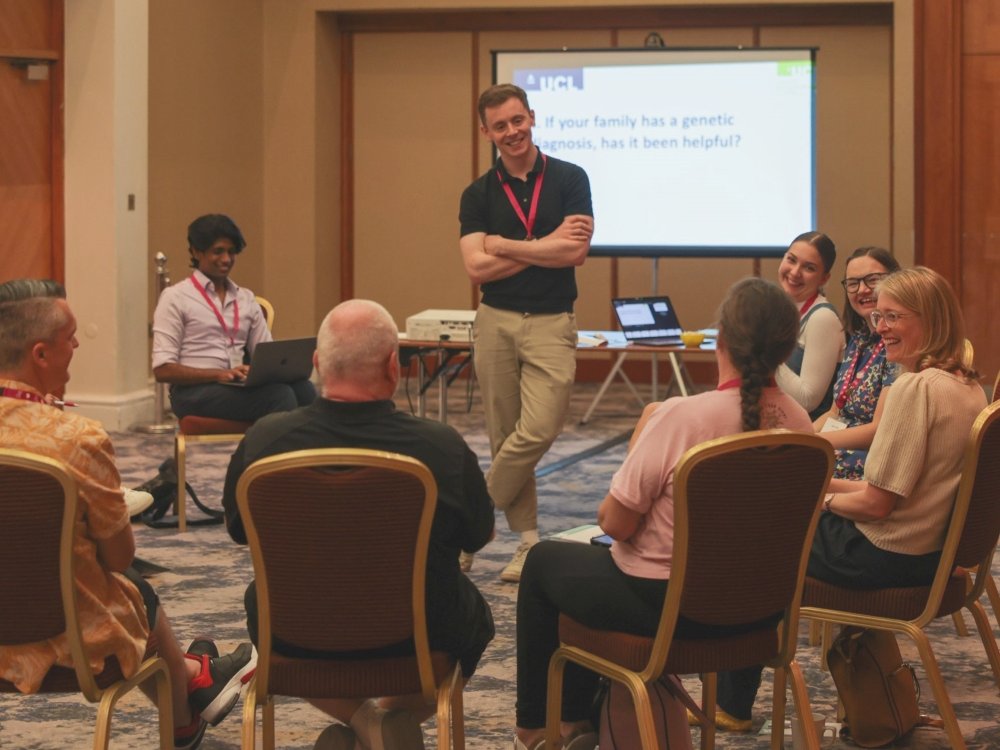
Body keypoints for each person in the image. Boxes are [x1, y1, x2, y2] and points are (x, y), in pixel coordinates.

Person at [511, 278, 814, 750]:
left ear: (721, 338)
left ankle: (547, 726)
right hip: (760, 612)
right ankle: (578, 721)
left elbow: (615, 524)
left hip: (670, 609)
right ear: (786, 348)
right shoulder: (800, 423)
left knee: (545, 563)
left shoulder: (684, 418)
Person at [716, 266, 986, 728]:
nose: (880, 328)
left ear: (931, 319)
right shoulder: (966, 385)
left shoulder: (913, 389)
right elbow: (893, 492)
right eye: (878, 317)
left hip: (888, 553)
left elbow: (877, 506)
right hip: (930, 551)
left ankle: (731, 704)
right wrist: (819, 487)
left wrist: (816, 502)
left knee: (754, 544)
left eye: (893, 317)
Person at [222, 299, 496, 750]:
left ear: (316, 364)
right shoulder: (440, 448)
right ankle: (382, 725)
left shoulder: (264, 442)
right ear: (394, 365)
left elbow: (238, 531)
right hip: (419, 643)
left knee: (261, 598)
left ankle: (361, 723)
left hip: (295, 638)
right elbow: (479, 535)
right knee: (470, 613)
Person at [0, 279, 256, 750]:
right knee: (135, 584)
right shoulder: (75, 438)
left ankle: (197, 679)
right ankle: (188, 703)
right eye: (71, 336)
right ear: (40, 354)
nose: (77, 345)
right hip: (67, 640)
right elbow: (118, 556)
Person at [458, 83, 594, 582]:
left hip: (552, 321)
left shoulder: (570, 178)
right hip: (494, 321)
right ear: (486, 132)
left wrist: (503, 245)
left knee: (538, 428)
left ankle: (467, 520)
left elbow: (574, 254)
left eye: (518, 120)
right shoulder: (477, 194)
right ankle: (527, 543)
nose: (512, 132)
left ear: (531, 117)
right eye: (500, 126)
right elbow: (476, 269)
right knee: (503, 432)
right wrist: (542, 244)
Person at [152, 214, 315, 422]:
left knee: (304, 390)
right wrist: (218, 374)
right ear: (196, 251)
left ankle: (304, 454)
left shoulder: (245, 298)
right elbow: (163, 370)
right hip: (192, 393)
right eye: (218, 251)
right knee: (280, 397)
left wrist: (268, 370)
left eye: (231, 252)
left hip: (236, 385)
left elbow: (267, 354)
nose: (226, 259)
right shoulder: (176, 298)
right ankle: (264, 455)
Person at [813, 246, 901, 479]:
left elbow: (877, 431)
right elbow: (835, 411)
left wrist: (815, 443)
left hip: (867, 460)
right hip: (834, 448)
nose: (862, 289)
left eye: (872, 280)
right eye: (853, 283)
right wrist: (799, 438)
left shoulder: (897, 345)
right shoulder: (859, 339)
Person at [775, 231, 844, 419]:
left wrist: (762, 354)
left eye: (809, 268)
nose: (795, 272)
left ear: (824, 278)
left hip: (808, 435)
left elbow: (808, 401)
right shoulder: (781, 309)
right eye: (791, 260)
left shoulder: (823, 318)